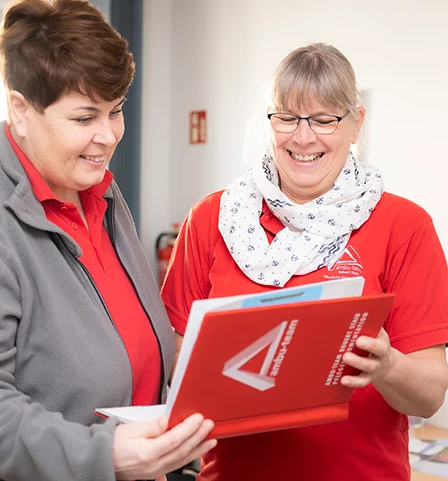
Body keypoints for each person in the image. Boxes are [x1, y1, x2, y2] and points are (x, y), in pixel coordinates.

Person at [0, 0, 216, 481]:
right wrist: (105, 455)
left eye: (115, 110)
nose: (109, 135)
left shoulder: (101, 194)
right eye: (84, 117)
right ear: (21, 109)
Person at [161, 43, 448, 480]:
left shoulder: (404, 226)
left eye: (324, 119)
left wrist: (388, 367)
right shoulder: (211, 219)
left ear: (356, 125)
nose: (303, 137)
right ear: (269, 122)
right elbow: (174, 356)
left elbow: (428, 397)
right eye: (288, 117)